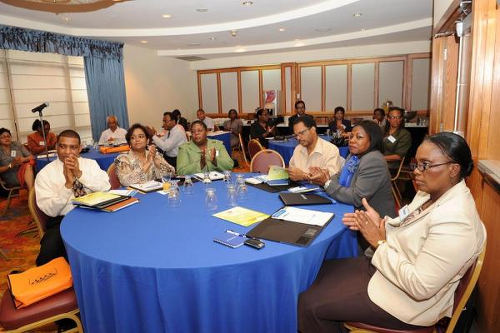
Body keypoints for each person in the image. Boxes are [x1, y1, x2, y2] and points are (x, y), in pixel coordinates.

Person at [298, 132, 486, 332]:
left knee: (307, 304)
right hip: (388, 270)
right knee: (313, 272)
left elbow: (420, 287)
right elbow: (408, 226)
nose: (416, 172)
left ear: (453, 169)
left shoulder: (457, 221)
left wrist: (379, 243)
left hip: (405, 302)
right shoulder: (430, 193)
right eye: (416, 164)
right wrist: (380, 223)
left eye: (425, 165)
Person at [35, 130, 110, 265]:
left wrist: (80, 174)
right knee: (49, 251)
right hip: (63, 219)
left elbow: (106, 187)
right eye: (63, 146)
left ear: (80, 148)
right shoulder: (45, 174)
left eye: (73, 147)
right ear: (56, 147)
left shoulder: (90, 164)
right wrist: (68, 185)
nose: (67, 152)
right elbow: (50, 210)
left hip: (94, 212)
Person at [309, 120, 394, 218]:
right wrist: (325, 177)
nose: (352, 140)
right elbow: (339, 176)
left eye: (359, 137)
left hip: (374, 221)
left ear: (372, 140)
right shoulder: (353, 155)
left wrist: (327, 183)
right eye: (351, 136)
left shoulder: (374, 160)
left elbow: (357, 198)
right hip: (354, 212)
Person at [288, 117, 342, 182]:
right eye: (296, 135)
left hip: (321, 191)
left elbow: (330, 179)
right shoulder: (298, 149)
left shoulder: (331, 150)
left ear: (313, 129)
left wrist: (304, 176)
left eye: (301, 133)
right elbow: (292, 171)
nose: (298, 138)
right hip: (297, 189)